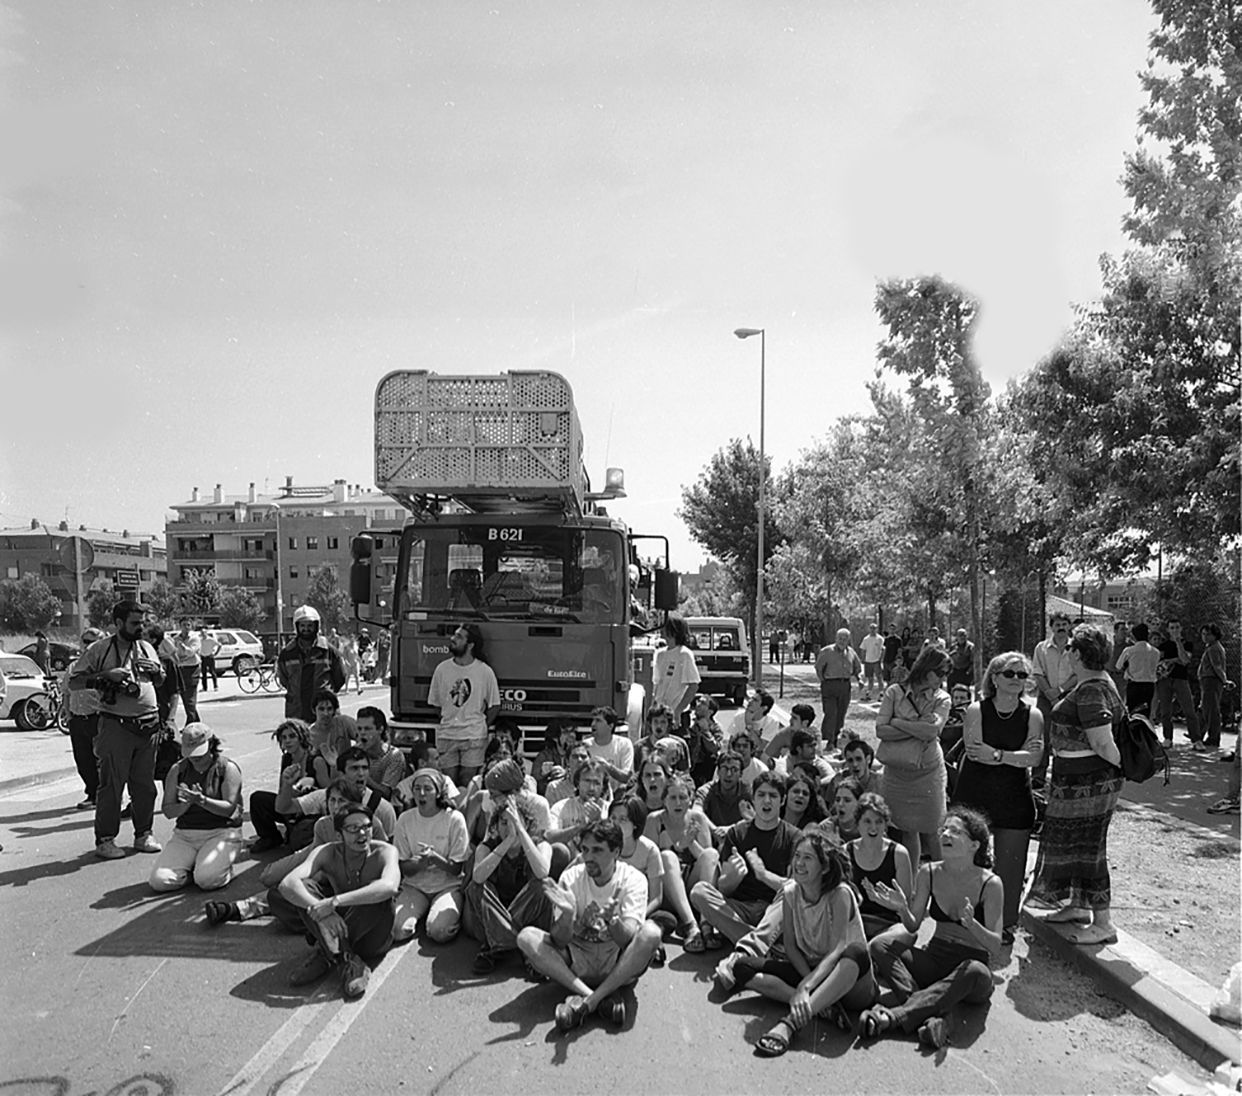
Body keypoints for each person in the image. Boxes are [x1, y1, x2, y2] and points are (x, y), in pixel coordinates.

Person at [861, 806, 1004, 1049]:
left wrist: (973, 926)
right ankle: (933, 1019)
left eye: (956, 831)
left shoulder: (991, 884)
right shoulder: (929, 871)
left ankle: (895, 1016)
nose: (946, 835)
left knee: (976, 970)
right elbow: (912, 924)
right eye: (944, 829)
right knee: (879, 945)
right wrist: (901, 908)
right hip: (935, 959)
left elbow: (995, 947)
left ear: (974, 845)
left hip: (969, 972)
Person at [729, 832, 878, 1057]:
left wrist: (806, 987)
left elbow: (837, 949)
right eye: (797, 855)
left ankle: (790, 1023)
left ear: (825, 867)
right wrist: (807, 982)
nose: (798, 863)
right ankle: (821, 1008)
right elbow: (790, 946)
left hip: (849, 979)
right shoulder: (790, 892)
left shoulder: (840, 894)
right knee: (742, 967)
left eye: (808, 858)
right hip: (811, 971)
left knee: (855, 952)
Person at [1026, 623, 1125, 945]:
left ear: (1079, 655)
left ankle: (1104, 922)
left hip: (1090, 783)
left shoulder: (1093, 689)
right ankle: (1079, 906)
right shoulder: (1095, 683)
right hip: (1079, 782)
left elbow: (1103, 743)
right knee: (1076, 845)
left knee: (1088, 847)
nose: (1065, 652)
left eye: (1070, 648)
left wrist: (1117, 769)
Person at [517, 820, 662, 1031]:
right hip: (577, 957)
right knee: (526, 937)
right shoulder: (571, 877)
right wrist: (567, 916)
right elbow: (559, 940)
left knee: (651, 933)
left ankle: (586, 1003)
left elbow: (628, 939)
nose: (588, 857)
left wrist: (613, 921)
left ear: (616, 852)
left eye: (597, 850)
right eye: (585, 849)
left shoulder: (634, 880)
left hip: (617, 961)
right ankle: (596, 999)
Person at [951, 651, 1044, 942]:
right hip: (974, 793)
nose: (1017, 679)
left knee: (1011, 866)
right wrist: (1015, 756)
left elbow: (1035, 757)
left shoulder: (1034, 715)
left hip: (1015, 798)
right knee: (967, 859)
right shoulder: (977, 710)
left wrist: (999, 754)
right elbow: (975, 752)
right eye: (1010, 673)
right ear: (994, 677)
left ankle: (1003, 925)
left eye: (1022, 675)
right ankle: (961, 918)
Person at [70, 598, 166, 860]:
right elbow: (74, 683)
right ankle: (105, 839)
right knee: (112, 785)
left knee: (145, 786)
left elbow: (160, 679)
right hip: (116, 726)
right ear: (119, 623)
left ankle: (143, 833)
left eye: (143, 623)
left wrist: (156, 671)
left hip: (148, 725)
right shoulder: (100, 649)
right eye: (135, 623)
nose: (140, 628)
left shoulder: (146, 647)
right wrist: (105, 677)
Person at [280, 803, 400, 1000]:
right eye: (353, 829)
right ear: (339, 835)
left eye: (366, 827)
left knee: (376, 893)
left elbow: (390, 887)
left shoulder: (385, 852)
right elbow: (288, 883)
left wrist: (333, 903)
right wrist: (324, 912)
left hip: (372, 936)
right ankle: (345, 959)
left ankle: (329, 952)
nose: (362, 833)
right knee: (305, 889)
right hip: (339, 927)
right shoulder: (327, 851)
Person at [690, 771, 799, 948]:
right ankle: (761, 943)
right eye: (761, 795)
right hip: (739, 909)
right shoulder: (737, 833)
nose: (767, 801)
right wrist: (734, 876)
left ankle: (748, 941)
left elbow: (796, 889)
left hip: (773, 911)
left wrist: (763, 875)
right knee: (699, 892)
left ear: (783, 800)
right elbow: (724, 887)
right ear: (753, 800)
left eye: (773, 796)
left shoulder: (794, 836)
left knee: (789, 895)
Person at [465, 787, 556, 974]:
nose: (509, 828)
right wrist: (507, 843)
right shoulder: (486, 847)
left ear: (526, 824)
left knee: (543, 886)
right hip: (495, 913)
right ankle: (520, 946)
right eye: (504, 823)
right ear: (496, 826)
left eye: (514, 822)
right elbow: (478, 877)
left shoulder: (541, 844)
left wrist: (520, 834)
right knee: (476, 887)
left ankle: (499, 946)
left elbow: (542, 873)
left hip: (529, 915)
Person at [876, 646, 952, 868]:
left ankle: (941, 881)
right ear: (927, 669)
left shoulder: (942, 698)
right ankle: (912, 881)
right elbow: (881, 730)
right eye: (940, 673)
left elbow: (932, 732)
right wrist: (915, 726)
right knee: (907, 831)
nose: (943, 679)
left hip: (928, 773)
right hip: (897, 775)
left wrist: (897, 723)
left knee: (932, 830)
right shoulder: (894, 692)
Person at [149, 723, 244, 892]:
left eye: (199, 752)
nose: (195, 758)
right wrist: (185, 805)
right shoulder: (177, 770)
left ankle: (217, 868)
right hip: (186, 834)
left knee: (208, 880)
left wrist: (202, 801)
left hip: (221, 831)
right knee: (159, 882)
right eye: (191, 753)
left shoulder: (227, 768)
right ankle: (194, 869)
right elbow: (168, 811)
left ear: (211, 745)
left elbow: (229, 808)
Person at [392, 768, 469, 944]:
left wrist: (434, 858)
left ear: (438, 792)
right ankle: (420, 913)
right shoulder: (404, 819)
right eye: (417, 788)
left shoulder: (454, 819)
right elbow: (404, 868)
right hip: (414, 886)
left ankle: (446, 914)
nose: (422, 793)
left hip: (447, 886)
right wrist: (420, 862)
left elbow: (457, 869)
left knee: (440, 932)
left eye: (428, 788)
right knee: (397, 931)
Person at [643, 772, 718, 952]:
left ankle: (706, 924)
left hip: (692, 885)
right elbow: (649, 862)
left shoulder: (698, 819)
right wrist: (677, 847)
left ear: (690, 799)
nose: (678, 803)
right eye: (673, 797)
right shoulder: (654, 820)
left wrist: (690, 843)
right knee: (667, 856)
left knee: (711, 853)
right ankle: (691, 925)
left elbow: (708, 860)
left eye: (683, 797)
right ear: (664, 800)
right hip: (667, 889)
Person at [427, 622, 500, 785]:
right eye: (454, 635)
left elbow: (494, 705)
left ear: (470, 644)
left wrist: (478, 725)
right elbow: (436, 703)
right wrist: (451, 718)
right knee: (448, 784)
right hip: (447, 735)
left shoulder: (484, 671)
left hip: (473, 738)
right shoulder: (442, 669)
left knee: (469, 781)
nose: (452, 639)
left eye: (459, 637)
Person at [275, 746, 398, 841]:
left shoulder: (384, 808)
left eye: (364, 768)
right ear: (342, 774)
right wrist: (287, 784)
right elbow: (284, 808)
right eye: (354, 768)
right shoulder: (324, 796)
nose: (361, 774)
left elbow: (391, 847)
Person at [846, 792, 915, 946]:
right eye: (867, 821)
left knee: (904, 934)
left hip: (890, 925)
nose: (873, 827)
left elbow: (907, 910)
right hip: (856, 922)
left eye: (879, 822)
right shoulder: (846, 852)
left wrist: (894, 905)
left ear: (885, 825)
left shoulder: (899, 854)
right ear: (857, 824)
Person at [249, 719, 318, 853]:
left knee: (295, 845)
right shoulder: (287, 759)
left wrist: (307, 788)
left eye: (292, 736)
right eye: (284, 737)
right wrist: (289, 790)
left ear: (302, 737)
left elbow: (327, 791)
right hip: (290, 805)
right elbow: (282, 790)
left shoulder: (315, 759)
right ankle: (270, 837)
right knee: (258, 799)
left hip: (309, 810)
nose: (287, 741)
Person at [276, 605, 346, 723]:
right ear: (297, 627)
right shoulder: (287, 653)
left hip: (324, 711)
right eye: (302, 625)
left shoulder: (329, 651)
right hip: (297, 710)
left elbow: (340, 677)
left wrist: (326, 694)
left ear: (316, 626)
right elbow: (284, 679)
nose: (306, 629)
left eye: (310, 625)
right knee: (298, 740)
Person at [1032, 613, 1077, 785]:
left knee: (1067, 739)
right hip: (1045, 697)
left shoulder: (1076, 648)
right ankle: (1038, 777)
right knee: (1042, 736)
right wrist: (1050, 694)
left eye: (1064, 624)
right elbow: (1037, 672)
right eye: (1057, 624)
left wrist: (1059, 691)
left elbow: (1078, 673)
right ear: (1052, 627)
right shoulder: (1041, 648)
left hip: (1069, 697)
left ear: (1069, 627)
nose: (1061, 627)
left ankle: (1063, 778)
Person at [65, 627, 105, 810]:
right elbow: (66, 692)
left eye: (92, 642)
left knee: (101, 759)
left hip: (97, 717)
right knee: (83, 759)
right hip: (77, 718)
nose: (87, 646)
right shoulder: (73, 666)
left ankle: (105, 794)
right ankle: (92, 792)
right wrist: (68, 714)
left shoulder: (103, 666)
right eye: (85, 641)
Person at [1156, 619, 1203, 749]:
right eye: (1172, 628)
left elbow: (1185, 660)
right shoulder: (1163, 646)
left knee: (1189, 710)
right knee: (1166, 710)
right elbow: (1159, 662)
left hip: (1181, 679)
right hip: (1165, 680)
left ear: (1181, 629)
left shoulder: (1187, 644)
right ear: (1168, 630)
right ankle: (1167, 738)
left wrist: (1178, 643)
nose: (1175, 630)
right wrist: (1174, 660)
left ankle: (1196, 739)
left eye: (1177, 627)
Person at [548, 760, 610, 854]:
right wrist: (579, 828)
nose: (591, 788)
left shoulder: (610, 810)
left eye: (597, 783)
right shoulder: (561, 808)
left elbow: (615, 845)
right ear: (578, 783)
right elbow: (549, 838)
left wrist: (598, 822)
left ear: (603, 787)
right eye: (587, 781)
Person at [816, 628, 862, 752]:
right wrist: (824, 682)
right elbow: (818, 668)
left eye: (845, 638)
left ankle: (836, 741)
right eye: (840, 638)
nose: (842, 641)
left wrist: (859, 679)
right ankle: (827, 741)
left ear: (848, 640)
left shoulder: (851, 652)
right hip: (830, 685)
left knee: (840, 715)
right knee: (830, 714)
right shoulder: (826, 651)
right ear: (836, 639)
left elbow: (857, 668)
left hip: (845, 686)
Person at [653, 612, 701, 728]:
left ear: (673, 629)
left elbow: (693, 685)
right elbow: (657, 685)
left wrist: (678, 711)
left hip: (676, 715)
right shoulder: (659, 654)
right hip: (659, 714)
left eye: (664, 626)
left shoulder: (684, 654)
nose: (661, 629)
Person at [694, 749, 753, 841]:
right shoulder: (706, 790)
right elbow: (696, 812)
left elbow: (757, 817)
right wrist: (714, 830)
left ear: (741, 774)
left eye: (734, 770)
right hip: (712, 838)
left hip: (739, 839)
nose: (729, 774)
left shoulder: (748, 791)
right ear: (718, 771)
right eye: (725, 768)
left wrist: (731, 829)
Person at [306, 689, 357, 785]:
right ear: (314, 710)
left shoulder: (344, 722)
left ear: (334, 710)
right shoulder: (309, 735)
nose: (326, 713)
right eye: (321, 709)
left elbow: (363, 737)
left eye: (329, 709)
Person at [355, 707, 407, 800]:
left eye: (367, 729)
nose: (362, 733)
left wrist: (364, 778)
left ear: (380, 729)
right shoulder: (355, 752)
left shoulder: (393, 756)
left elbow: (386, 794)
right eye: (359, 729)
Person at [585, 705, 634, 793]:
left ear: (610, 726)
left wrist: (607, 766)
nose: (593, 724)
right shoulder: (586, 746)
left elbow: (627, 777)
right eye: (593, 720)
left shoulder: (624, 744)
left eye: (598, 721)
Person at [1116, 622, 1159, 715]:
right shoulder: (1155, 652)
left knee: (1133, 712)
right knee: (1146, 712)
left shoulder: (1129, 651)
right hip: (1149, 685)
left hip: (1134, 685)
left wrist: (1126, 667)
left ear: (1134, 636)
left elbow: (1118, 666)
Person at [165, 620, 202, 726]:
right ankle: (195, 721)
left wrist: (182, 647)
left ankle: (191, 723)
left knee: (190, 697)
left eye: (188, 625)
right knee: (184, 697)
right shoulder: (175, 638)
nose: (186, 627)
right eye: (184, 625)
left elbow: (190, 652)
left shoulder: (194, 638)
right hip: (180, 669)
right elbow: (173, 653)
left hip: (192, 670)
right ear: (180, 626)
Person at [1199, 624, 1228, 750]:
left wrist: (1224, 680)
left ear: (1215, 635)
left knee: (1211, 710)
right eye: (1203, 634)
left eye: (1208, 634)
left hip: (1211, 681)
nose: (1205, 637)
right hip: (1208, 681)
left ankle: (1213, 738)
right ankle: (1200, 733)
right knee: (1206, 708)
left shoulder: (1214, 649)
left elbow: (1217, 666)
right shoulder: (1210, 647)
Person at [532, 719, 578, 796]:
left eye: (573, 731)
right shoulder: (544, 756)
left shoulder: (580, 754)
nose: (572, 735)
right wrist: (543, 774)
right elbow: (534, 781)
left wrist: (566, 774)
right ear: (555, 738)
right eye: (566, 732)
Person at [686, 694, 724, 786]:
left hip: (705, 767)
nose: (698, 704)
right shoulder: (689, 723)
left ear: (710, 711)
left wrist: (706, 731)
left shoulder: (716, 728)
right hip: (690, 765)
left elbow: (715, 748)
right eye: (698, 701)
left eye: (702, 703)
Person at [762, 703, 815, 767]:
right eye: (791, 717)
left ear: (805, 723)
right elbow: (765, 756)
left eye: (794, 718)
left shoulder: (814, 736)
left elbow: (815, 759)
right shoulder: (784, 734)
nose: (790, 720)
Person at [739, 689, 783, 754]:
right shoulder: (739, 716)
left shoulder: (772, 722)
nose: (750, 701)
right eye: (751, 698)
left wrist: (749, 725)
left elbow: (760, 747)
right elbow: (731, 745)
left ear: (764, 708)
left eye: (755, 700)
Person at [780, 767, 825, 832]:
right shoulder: (773, 820)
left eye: (805, 793)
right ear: (786, 795)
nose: (800, 796)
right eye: (796, 791)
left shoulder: (812, 828)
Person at [859, 623, 886, 702]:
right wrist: (863, 659)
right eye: (871, 628)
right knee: (870, 679)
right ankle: (869, 694)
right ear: (869, 629)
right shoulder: (866, 639)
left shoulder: (880, 639)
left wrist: (881, 659)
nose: (872, 630)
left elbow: (883, 649)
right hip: (868, 661)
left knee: (879, 678)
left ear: (876, 629)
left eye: (874, 628)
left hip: (877, 661)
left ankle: (881, 694)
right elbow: (863, 649)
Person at [946, 629, 975, 694]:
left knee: (963, 692)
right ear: (957, 637)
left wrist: (968, 672)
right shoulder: (953, 646)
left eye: (964, 635)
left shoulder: (971, 646)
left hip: (964, 672)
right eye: (960, 635)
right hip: (954, 672)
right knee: (951, 691)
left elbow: (973, 662)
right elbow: (948, 658)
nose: (962, 637)